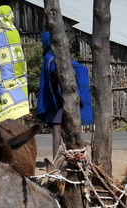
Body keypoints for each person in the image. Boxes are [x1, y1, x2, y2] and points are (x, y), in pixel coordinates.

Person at [35, 31, 93, 159]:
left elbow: (59, 73)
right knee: (61, 131)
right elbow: (81, 70)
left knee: (57, 131)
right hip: (58, 100)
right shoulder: (55, 57)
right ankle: (64, 158)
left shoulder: (51, 58)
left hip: (55, 101)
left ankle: (58, 160)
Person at [0, 4, 30, 123]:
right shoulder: (14, 32)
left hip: (1, 78)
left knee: (4, 104)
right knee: (16, 107)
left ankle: (4, 134)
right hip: (19, 77)